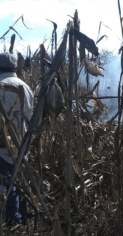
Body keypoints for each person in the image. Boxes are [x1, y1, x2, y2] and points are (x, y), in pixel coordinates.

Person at [0, 52, 34, 224]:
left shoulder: (1, 86)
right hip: (23, 142)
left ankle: (14, 220)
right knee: (17, 179)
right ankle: (20, 217)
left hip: (3, 145)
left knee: (7, 182)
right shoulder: (27, 87)